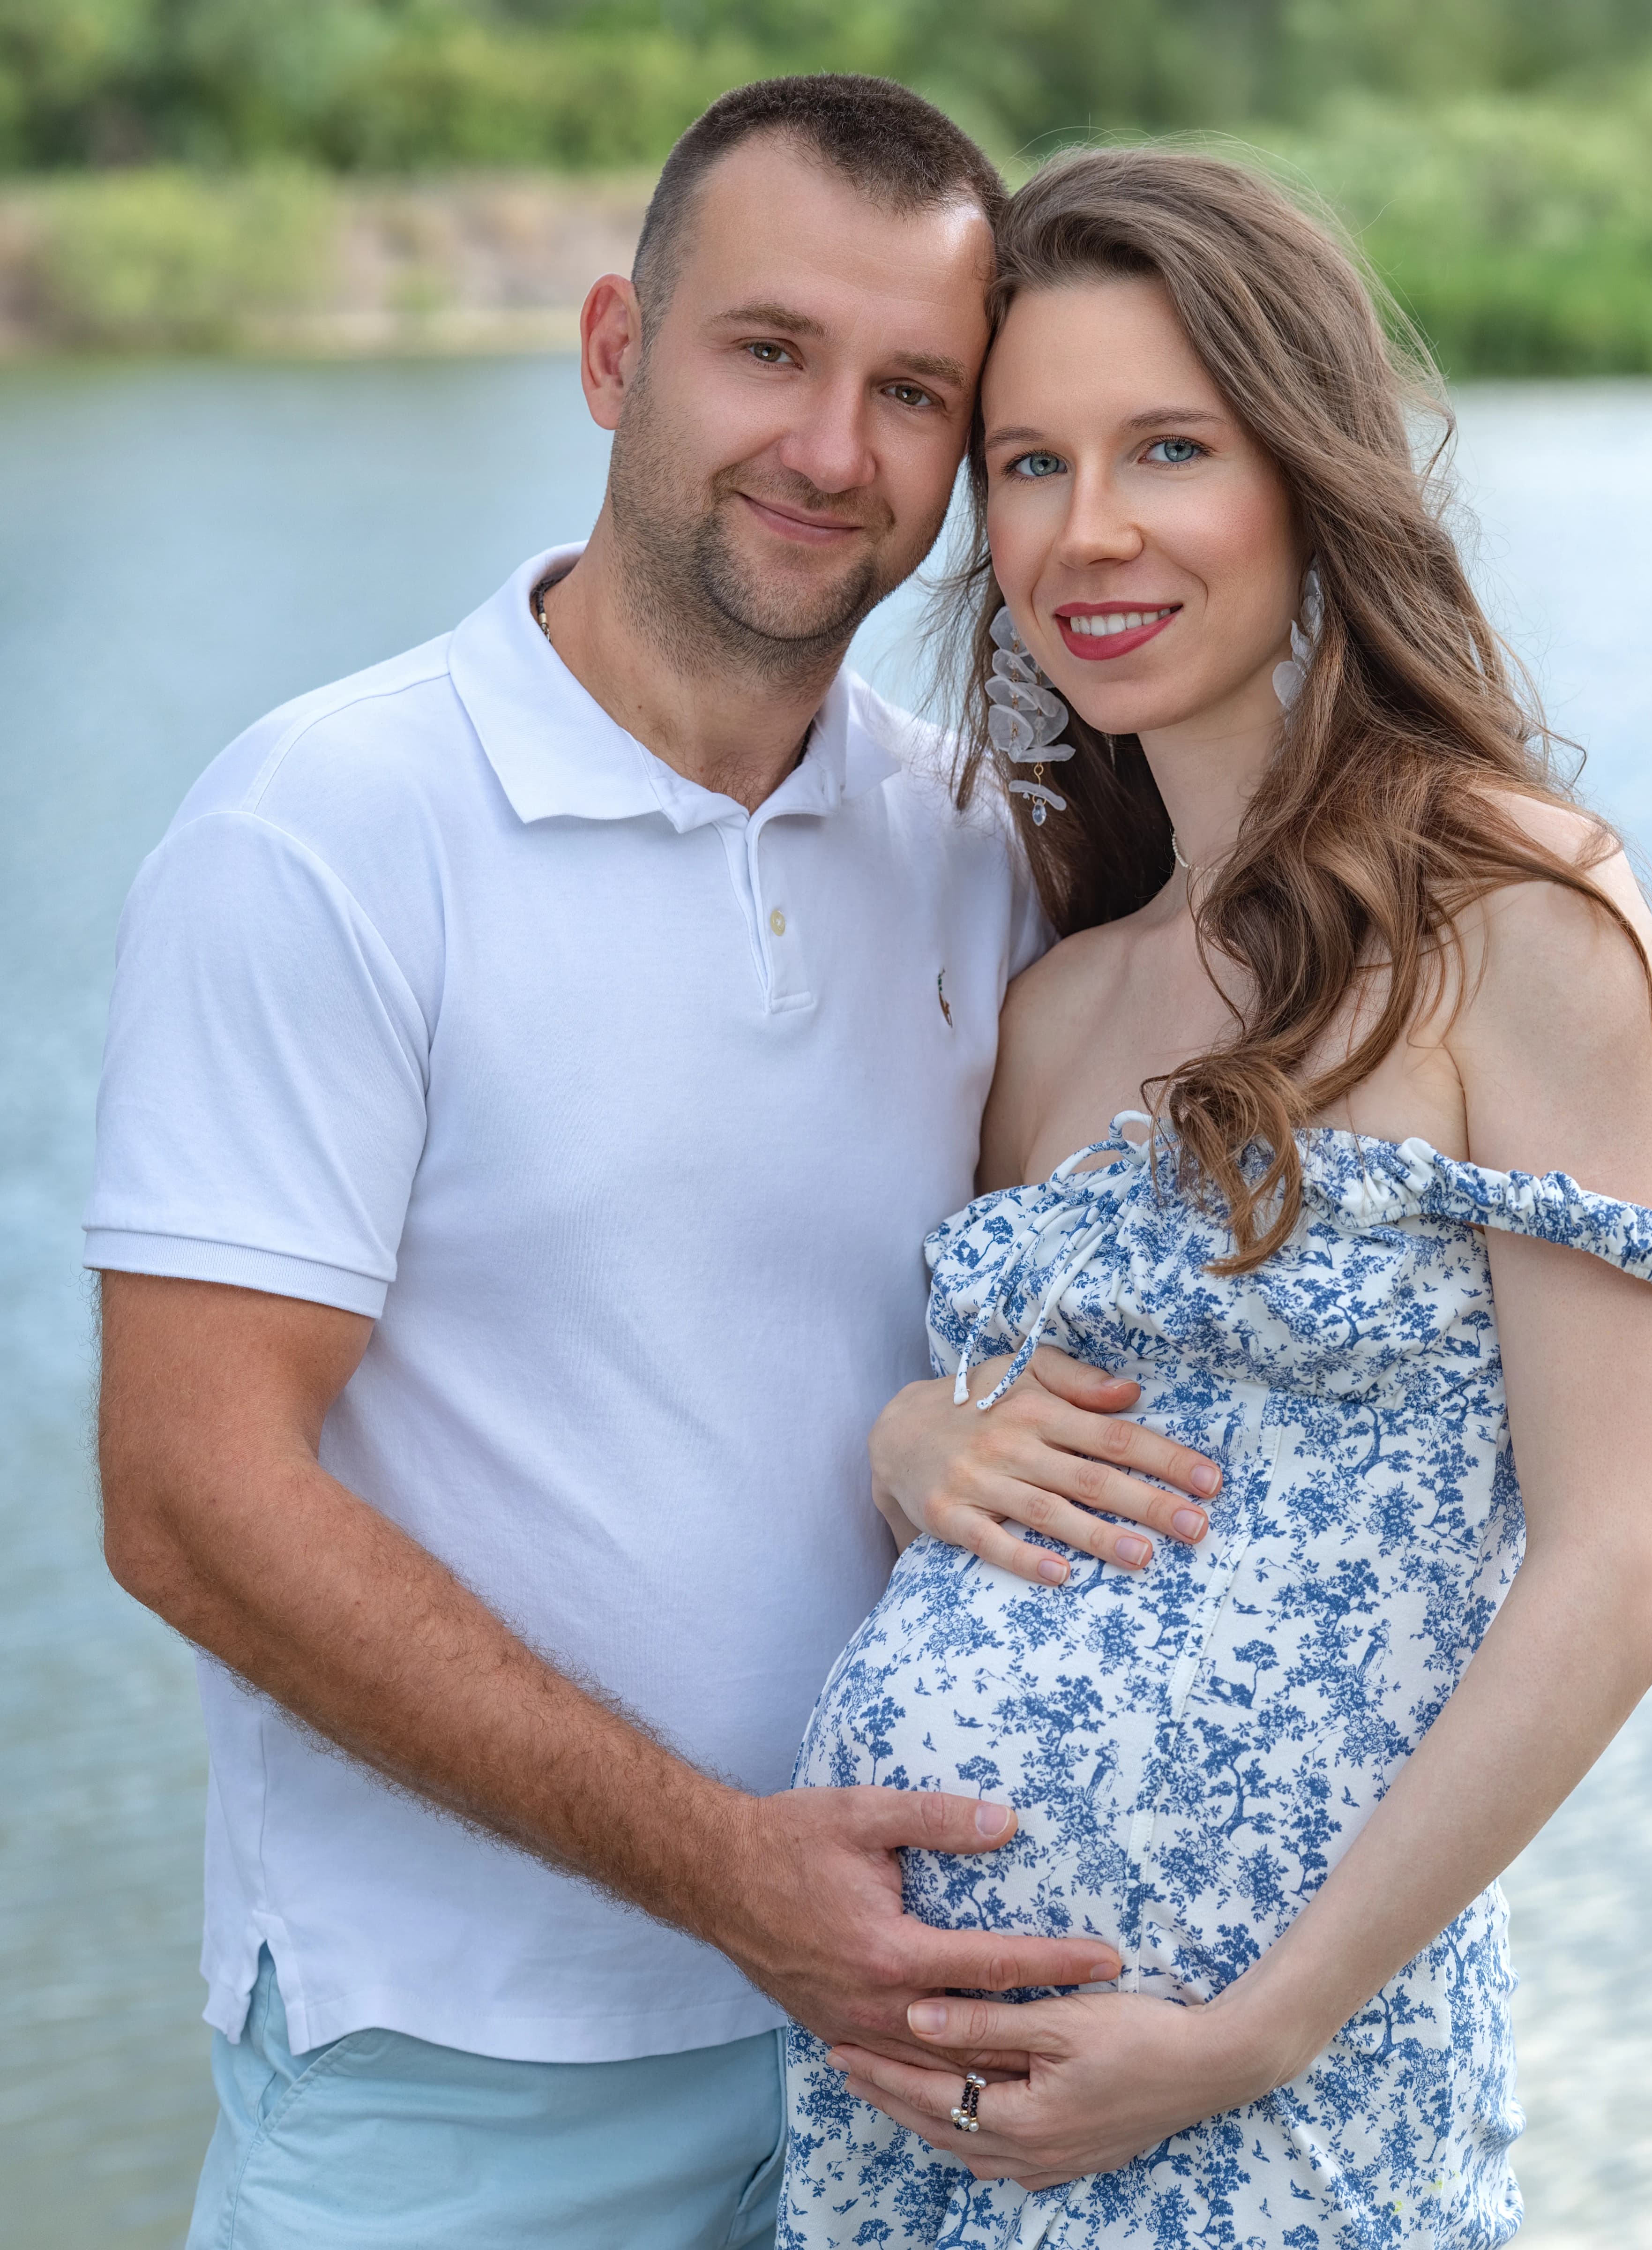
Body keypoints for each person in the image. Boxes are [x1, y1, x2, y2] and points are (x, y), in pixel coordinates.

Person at [86, 79, 1224, 2250]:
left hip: (915, 2066)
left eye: (914, 393)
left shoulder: (982, 848)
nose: (831, 450)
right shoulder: (329, 829)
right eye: (768, 352)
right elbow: (190, 1500)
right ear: (617, 351)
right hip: (460, 2088)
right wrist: (723, 1867)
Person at [777, 147, 1652, 2248]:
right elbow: (990, 1456)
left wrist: (1256, 2030)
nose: (1086, 532)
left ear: (1310, 477)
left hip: (1281, 2102)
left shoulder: (1516, 914)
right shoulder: (1055, 1001)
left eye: (1168, 449)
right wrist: (907, 1440)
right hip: (921, 2115)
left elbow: (1630, 1571)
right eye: (1028, 464)